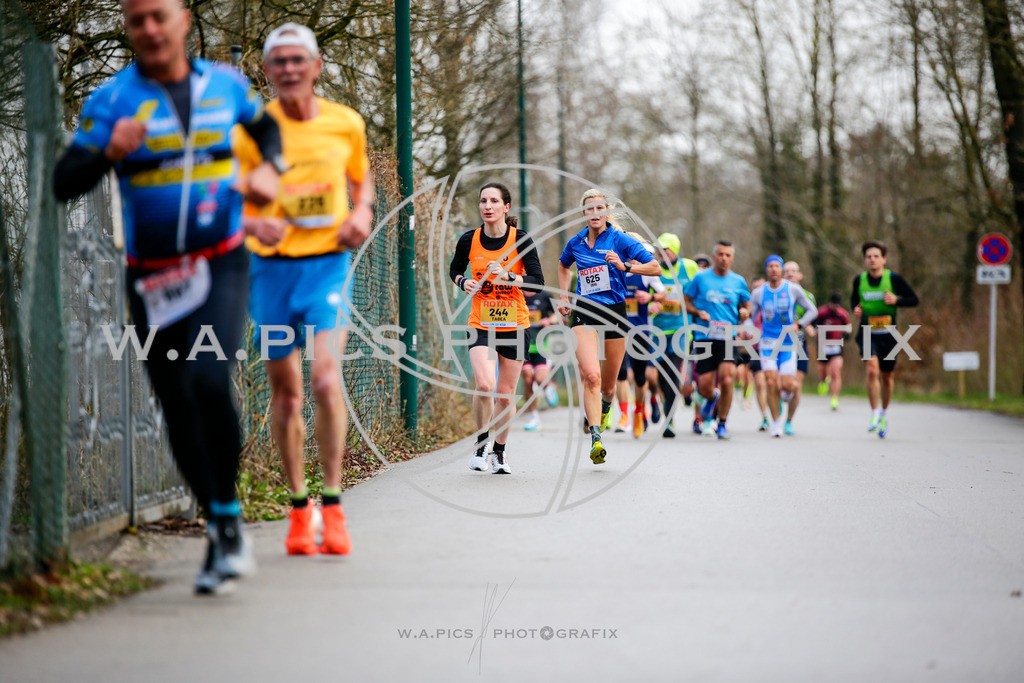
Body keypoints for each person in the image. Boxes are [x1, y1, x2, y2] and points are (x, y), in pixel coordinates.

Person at [53, 0, 284, 594]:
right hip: (149, 276)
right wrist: (107, 151)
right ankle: (220, 524)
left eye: (159, 16)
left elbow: (264, 127)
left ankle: (226, 520)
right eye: (136, 21)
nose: (149, 30)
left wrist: (271, 172)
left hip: (219, 264)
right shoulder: (109, 102)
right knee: (176, 403)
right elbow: (63, 181)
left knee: (208, 379)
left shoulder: (226, 86)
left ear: (183, 19)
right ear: (128, 29)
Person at [234, 23, 375, 556]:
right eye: (279, 62)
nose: (289, 69)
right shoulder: (251, 129)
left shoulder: (345, 123)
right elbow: (227, 197)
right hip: (271, 273)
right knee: (287, 394)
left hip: (327, 268)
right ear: (267, 72)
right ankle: (299, 509)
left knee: (323, 378)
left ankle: (333, 506)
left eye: (299, 60)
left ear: (316, 67)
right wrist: (251, 224)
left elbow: (361, 183)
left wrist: (360, 212)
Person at [557, 189, 659, 463]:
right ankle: (596, 439)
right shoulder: (576, 243)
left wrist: (626, 266)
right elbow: (564, 266)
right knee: (592, 376)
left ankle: (605, 406)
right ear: (584, 214)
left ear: (606, 212)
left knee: (609, 385)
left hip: (614, 312)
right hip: (584, 311)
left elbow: (656, 268)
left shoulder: (620, 240)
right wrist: (564, 296)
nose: (594, 214)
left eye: (599, 209)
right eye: (589, 210)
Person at [450, 182, 544, 473]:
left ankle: (499, 452)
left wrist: (508, 277)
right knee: (484, 384)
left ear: (506, 207)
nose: (487, 206)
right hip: (481, 323)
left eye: (493, 201)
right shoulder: (469, 239)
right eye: (482, 201)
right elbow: (455, 269)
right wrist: (462, 282)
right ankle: (481, 444)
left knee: (505, 394)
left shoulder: (521, 239)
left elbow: (537, 283)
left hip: (514, 323)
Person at [850, 240, 919, 438]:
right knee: (872, 370)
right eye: (868, 256)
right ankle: (873, 413)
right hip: (866, 330)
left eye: (876, 256)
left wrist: (897, 300)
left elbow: (914, 299)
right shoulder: (859, 280)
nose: (872, 259)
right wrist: (856, 308)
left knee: (887, 377)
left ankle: (884, 413)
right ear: (865, 260)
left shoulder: (894, 279)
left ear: (884, 259)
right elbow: (854, 299)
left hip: (889, 334)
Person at [683, 240, 751, 440]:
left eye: (728, 255)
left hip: (727, 337)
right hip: (704, 337)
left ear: (732, 258)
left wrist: (745, 311)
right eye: (720, 254)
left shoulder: (738, 281)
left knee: (728, 378)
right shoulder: (700, 278)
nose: (724, 258)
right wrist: (698, 311)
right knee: (705, 386)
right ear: (714, 257)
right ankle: (712, 399)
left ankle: (722, 424)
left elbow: (747, 304)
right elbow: (686, 301)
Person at [747, 256, 817, 437]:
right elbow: (751, 317)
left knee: (788, 386)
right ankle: (776, 423)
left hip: (788, 343)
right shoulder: (759, 293)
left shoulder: (793, 289)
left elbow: (812, 310)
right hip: (768, 343)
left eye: (777, 266)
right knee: (770, 381)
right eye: (770, 266)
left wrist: (799, 324)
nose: (773, 269)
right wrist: (747, 329)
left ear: (781, 269)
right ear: (766, 270)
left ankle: (784, 394)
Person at [649, 233, 698, 438]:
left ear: (675, 250)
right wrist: (653, 303)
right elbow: (646, 294)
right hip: (659, 329)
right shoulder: (652, 267)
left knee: (674, 375)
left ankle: (669, 421)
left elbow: (698, 291)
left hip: (681, 329)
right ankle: (668, 412)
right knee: (662, 377)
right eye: (659, 250)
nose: (661, 254)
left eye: (665, 250)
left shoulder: (690, 267)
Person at [618, 235, 667, 437]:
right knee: (620, 373)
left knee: (640, 377)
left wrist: (650, 297)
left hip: (641, 330)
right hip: (618, 330)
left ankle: (639, 410)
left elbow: (662, 293)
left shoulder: (646, 274)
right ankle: (623, 414)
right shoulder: (615, 268)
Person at [781, 260, 817, 434]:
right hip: (778, 344)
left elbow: (814, 323)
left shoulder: (808, 297)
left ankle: (789, 421)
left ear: (800, 275)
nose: (790, 274)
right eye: (786, 271)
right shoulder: (775, 294)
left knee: (797, 383)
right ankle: (778, 402)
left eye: (793, 271)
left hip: (799, 344)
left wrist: (808, 327)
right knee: (779, 382)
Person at [521, 287, 561, 431]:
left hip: (540, 344)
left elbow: (560, 315)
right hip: (521, 345)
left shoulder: (545, 295)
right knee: (527, 379)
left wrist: (549, 320)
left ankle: (548, 387)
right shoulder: (516, 292)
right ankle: (534, 417)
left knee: (540, 379)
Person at [809, 292, 850, 411]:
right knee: (823, 372)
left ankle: (834, 399)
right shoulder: (821, 312)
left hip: (836, 346)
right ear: (830, 303)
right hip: (823, 346)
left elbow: (848, 326)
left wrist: (847, 333)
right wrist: (814, 330)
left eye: (838, 305)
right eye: (834, 304)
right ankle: (823, 381)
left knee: (835, 372)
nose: (835, 307)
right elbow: (812, 324)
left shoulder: (843, 314)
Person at [747, 276, 772, 431]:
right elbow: (744, 322)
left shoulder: (773, 304)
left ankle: (776, 404)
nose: (758, 291)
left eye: (761, 287)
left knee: (773, 382)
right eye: (755, 288)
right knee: (761, 383)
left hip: (773, 347)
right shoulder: (750, 307)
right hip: (756, 348)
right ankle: (764, 416)